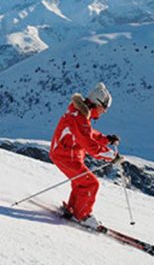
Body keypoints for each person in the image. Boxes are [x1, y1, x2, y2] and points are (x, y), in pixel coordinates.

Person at [49, 82, 121, 230]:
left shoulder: (81, 115)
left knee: (81, 183)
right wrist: (112, 156)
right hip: (65, 155)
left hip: (70, 154)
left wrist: (106, 139)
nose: (104, 112)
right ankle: (82, 215)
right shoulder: (78, 117)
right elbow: (90, 145)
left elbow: (88, 134)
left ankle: (73, 209)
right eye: (104, 108)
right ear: (97, 104)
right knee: (90, 183)